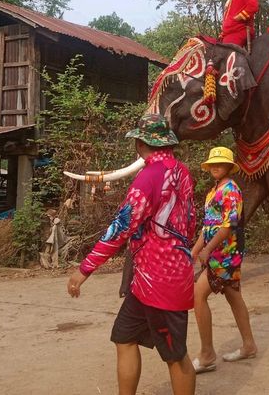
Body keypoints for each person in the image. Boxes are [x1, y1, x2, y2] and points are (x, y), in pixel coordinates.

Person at [67, 113, 196, 395]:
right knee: (123, 336)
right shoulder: (182, 172)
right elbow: (190, 220)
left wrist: (85, 268)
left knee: (175, 356)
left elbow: (120, 229)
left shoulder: (146, 179)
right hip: (151, 281)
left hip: (162, 280)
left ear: (140, 143)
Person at [191, 146, 257, 374]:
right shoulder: (213, 191)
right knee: (232, 294)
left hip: (225, 253)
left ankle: (207, 354)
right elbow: (208, 226)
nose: (215, 167)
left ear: (229, 166)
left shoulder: (230, 190)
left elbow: (229, 226)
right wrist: (195, 250)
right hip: (217, 252)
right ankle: (249, 345)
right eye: (213, 163)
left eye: (220, 163)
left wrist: (207, 249)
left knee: (198, 295)